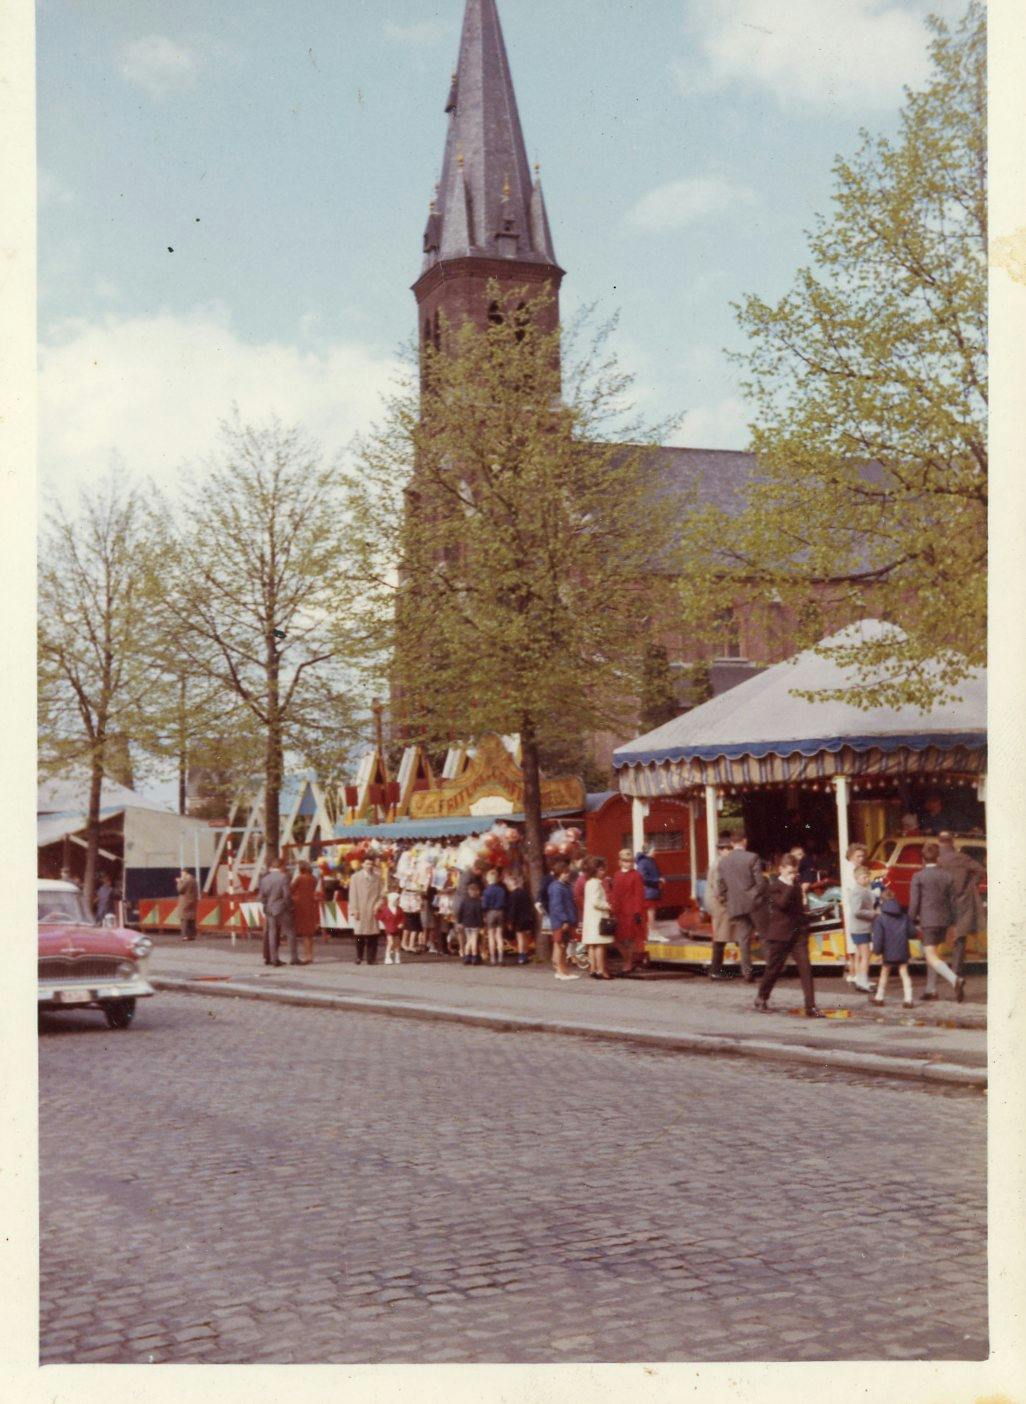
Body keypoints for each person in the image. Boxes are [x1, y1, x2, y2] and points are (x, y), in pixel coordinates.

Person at [753, 854, 823, 1017]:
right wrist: (790, 885)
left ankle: (810, 1006)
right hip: (780, 934)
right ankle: (762, 997)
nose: (793, 875)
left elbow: (798, 909)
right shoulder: (774, 887)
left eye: (795, 872)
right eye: (790, 872)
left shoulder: (796, 885)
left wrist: (806, 921)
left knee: (806, 969)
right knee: (774, 969)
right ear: (781, 869)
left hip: (798, 934)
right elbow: (782, 904)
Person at [908, 841, 964, 1002]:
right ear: (938, 858)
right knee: (933, 954)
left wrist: (910, 920)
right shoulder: (947, 876)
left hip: (928, 921)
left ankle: (955, 979)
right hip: (944, 921)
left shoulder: (918, 877)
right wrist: (954, 924)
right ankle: (930, 989)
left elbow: (914, 903)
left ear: (923, 859)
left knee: (930, 955)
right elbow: (953, 902)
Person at [715, 830, 766, 982]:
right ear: (745, 841)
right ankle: (772, 969)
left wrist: (729, 900)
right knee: (764, 935)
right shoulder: (752, 857)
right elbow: (761, 883)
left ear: (731, 843)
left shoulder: (723, 862)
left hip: (735, 905)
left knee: (743, 939)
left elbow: (721, 887)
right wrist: (754, 896)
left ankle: (747, 972)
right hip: (754, 904)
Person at [937, 831, 984, 979]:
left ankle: (936, 972)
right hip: (961, 900)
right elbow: (980, 870)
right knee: (960, 936)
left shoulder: (937, 859)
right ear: (952, 842)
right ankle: (956, 971)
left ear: (940, 842)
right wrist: (972, 883)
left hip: (942, 901)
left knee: (938, 934)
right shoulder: (961, 858)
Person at [870, 888, 915, 1007]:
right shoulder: (904, 916)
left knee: (884, 973)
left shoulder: (880, 918)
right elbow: (912, 933)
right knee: (904, 973)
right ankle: (908, 999)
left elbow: (878, 938)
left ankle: (879, 997)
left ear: (882, 901)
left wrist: (877, 951)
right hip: (903, 949)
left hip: (888, 951)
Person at [610, 849, 646, 976]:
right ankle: (628, 960)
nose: (628, 864)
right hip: (619, 911)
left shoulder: (636, 875)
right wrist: (612, 909)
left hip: (631, 911)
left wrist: (637, 912)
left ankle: (628, 963)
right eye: (625, 861)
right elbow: (614, 894)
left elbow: (639, 895)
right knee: (617, 939)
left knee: (630, 939)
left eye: (630, 861)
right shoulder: (616, 875)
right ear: (620, 862)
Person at [704, 835, 734, 979]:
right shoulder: (719, 865)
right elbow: (718, 888)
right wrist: (725, 901)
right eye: (725, 848)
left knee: (720, 937)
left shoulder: (718, 863)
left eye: (729, 848)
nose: (728, 851)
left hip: (718, 905)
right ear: (720, 850)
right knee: (720, 938)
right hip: (720, 906)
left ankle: (716, 969)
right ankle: (715, 970)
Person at [839, 842, 868, 985]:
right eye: (858, 856)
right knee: (857, 946)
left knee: (856, 947)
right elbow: (854, 892)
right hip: (854, 911)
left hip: (854, 911)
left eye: (862, 856)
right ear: (851, 856)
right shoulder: (851, 871)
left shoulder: (854, 869)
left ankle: (854, 974)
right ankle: (855, 975)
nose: (861, 859)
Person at [846, 864, 878, 993]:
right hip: (860, 928)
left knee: (862, 955)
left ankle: (861, 980)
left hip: (860, 927)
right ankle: (863, 982)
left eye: (868, 877)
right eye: (864, 877)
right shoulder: (857, 891)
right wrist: (873, 913)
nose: (867, 879)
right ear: (857, 878)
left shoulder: (862, 890)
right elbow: (857, 911)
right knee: (865, 956)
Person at [348, 855, 384, 966]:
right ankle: (359, 956)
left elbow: (381, 895)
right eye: (367, 864)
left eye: (371, 864)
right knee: (359, 935)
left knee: (373, 935)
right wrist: (354, 909)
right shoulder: (355, 877)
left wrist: (378, 905)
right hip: (360, 909)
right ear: (362, 864)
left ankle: (371, 958)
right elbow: (352, 894)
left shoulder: (377, 878)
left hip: (372, 909)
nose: (369, 866)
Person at [581, 856, 614, 980]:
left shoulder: (588, 883)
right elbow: (596, 901)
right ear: (594, 871)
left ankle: (593, 969)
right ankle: (601, 970)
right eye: (601, 869)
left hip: (590, 918)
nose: (603, 872)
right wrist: (608, 906)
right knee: (600, 945)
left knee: (592, 945)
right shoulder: (596, 884)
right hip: (597, 918)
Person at [257, 858, 293, 968]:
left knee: (272, 933)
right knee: (290, 931)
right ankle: (294, 957)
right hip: (281, 908)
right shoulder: (283, 877)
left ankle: (274, 959)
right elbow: (287, 894)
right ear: (281, 866)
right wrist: (289, 905)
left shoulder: (264, 879)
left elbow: (261, 896)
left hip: (269, 909)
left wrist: (267, 905)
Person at [547, 867, 580, 981]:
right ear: (558, 874)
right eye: (565, 873)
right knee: (559, 945)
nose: (567, 875)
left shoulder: (566, 886)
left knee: (563, 946)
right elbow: (557, 906)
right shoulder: (556, 887)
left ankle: (564, 970)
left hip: (567, 919)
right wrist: (564, 920)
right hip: (560, 921)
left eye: (568, 873)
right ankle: (559, 971)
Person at [290, 860, 320, 965]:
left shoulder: (299, 878)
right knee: (310, 933)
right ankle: (311, 955)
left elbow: (291, 889)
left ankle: (307, 956)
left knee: (305, 934)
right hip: (311, 907)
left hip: (301, 907)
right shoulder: (314, 878)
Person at [505, 873, 535, 965]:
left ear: (510, 884)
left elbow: (513, 909)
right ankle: (525, 954)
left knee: (520, 938)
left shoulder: (513, 895)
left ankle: (521, 956)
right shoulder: (524, 892)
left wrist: (510, 921)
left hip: (518, 919)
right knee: (525, 938)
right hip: (527, 918)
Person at [482, 868, 508, 965]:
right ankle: (501, 959)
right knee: (499, 936)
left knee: (491, 936)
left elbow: (484, 905)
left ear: (488, 879)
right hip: (500, 912)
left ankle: (493, 959)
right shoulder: (501, 890)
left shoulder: (486, 891)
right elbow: (504, 902)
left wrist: (484, 914)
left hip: (490, 913)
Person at [457, 880, 484, 966]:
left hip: (466, 924)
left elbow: (460, 912)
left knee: (468, 940)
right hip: (475, 924)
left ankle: (467, 956)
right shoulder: (478, 902)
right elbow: (479, 915)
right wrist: (481, 925)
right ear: (477, 891)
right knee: (474, 940)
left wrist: (459, 921)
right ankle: (474, 956)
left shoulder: (465, 901)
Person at [378, 888, 404, 965]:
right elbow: (380, 917)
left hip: (397, 929)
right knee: (390, 942)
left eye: (398, 900)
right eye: (397, 900)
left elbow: (402, 917)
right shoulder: (385, 909)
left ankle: (397, 957)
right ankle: (387, 957)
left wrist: (401, 923)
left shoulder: (399, 909)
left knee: (397, 943)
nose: (398, 902)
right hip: (389, 929)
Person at [176, 868, 198, 941]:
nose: (181, 874)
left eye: (182, 873)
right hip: (192, 901)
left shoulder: (186, 880)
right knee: (191, 918)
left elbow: (180, 890)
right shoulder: (194, 880)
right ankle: (192, 935)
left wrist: (179, 882)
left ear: (185, 873)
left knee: (184, 918)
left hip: (185, 901)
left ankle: (185, 935)